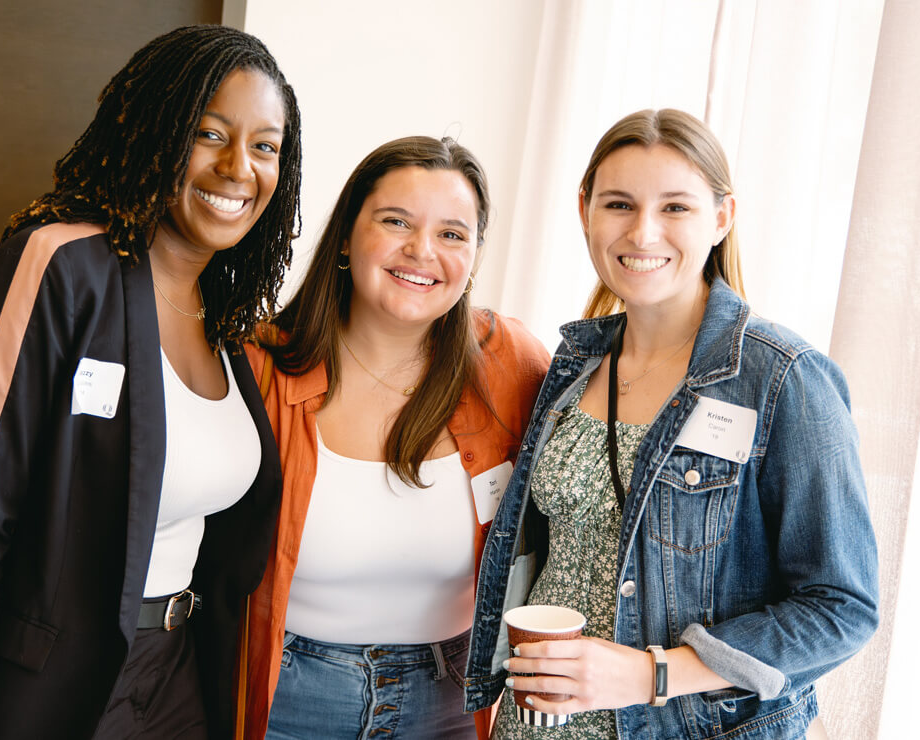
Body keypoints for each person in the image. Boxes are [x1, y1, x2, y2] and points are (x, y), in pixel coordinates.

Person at [0, 25, 302, 740]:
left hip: (178, 676)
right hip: (47, 686)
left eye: (265, 146)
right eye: (210, 134)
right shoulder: (59, 265)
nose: (239, 167)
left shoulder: (228, 319)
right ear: (158, 131)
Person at [463, 109, 878, 739]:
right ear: (585, 210)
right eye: (619, 204)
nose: (644, 232)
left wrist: (652, 674)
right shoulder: (574, 364)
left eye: (676, 208)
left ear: (722, 218)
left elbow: (841, 609)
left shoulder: (784, 379)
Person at [236, 136, 550, 739]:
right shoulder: (258, 364)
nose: (421, 251)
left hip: (453, 700)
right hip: (289, 695)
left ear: (476, 257)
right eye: (396, 221)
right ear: (348, 238)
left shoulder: (511, 362)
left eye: (452, 234)